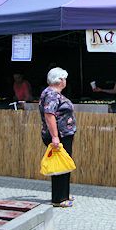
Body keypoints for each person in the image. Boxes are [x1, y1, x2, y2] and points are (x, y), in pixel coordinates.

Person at [39, 67, 76, 208]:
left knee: (64, 164)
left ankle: (64, 194)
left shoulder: (52, 93)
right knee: (60, 166)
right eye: (64, 78)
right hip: (59, 135)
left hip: (63, 134)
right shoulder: (52, 94)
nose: (65, 81)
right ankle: (59, 198)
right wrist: (55, 137)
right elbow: (49, 115)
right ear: (60, 80)